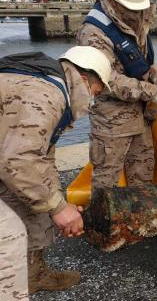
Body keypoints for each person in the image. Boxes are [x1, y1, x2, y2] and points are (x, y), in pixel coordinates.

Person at [0, 46, 112, 295]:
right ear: (84, 79)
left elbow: (42, 158)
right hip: (9, 159)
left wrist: (57, 202)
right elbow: (19, 161)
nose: (96, 97)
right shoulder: (46, 95)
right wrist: (59, 209)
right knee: (8, 239)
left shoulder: (50, 83)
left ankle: (34, 273)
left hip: (6, 157)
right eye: (97, 90)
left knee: (35, 202)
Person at [76, 0, 157, 190]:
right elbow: (105, 78)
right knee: (106, 183)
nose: (135, 13)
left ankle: (141, 220)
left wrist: (152, 72)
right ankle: (104, 224)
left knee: (143, 176)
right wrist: (151, 92)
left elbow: (139, 55)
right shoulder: (93, 32)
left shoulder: (139, 14)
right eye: (129, 8)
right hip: (111, 123)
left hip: (142, 118)